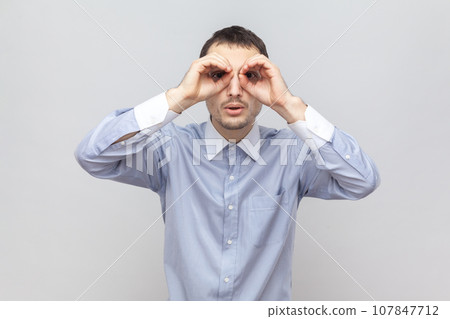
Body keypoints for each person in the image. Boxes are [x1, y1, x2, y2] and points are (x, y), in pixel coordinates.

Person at [75, 25, 380, 300]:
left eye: (250, 77)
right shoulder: (171, 150)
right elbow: (92, 155)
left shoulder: (293, 155)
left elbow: (362, 180)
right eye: (219, 76)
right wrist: (180, 97)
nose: (234, 90)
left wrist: (288, 104)